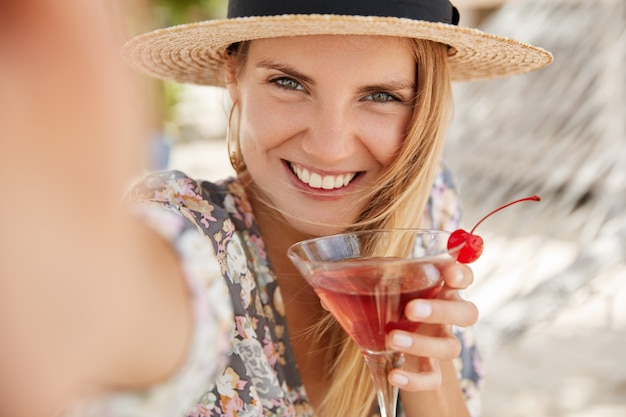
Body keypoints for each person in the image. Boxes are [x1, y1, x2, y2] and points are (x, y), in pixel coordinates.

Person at [0, 1, 552, 417]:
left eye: (380, 95)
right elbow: (116, 302)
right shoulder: (198, 229)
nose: (330, 146)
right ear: (232, 78)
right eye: (288, 83)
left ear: (425, 105)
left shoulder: (427, 207)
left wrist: (423, 368)